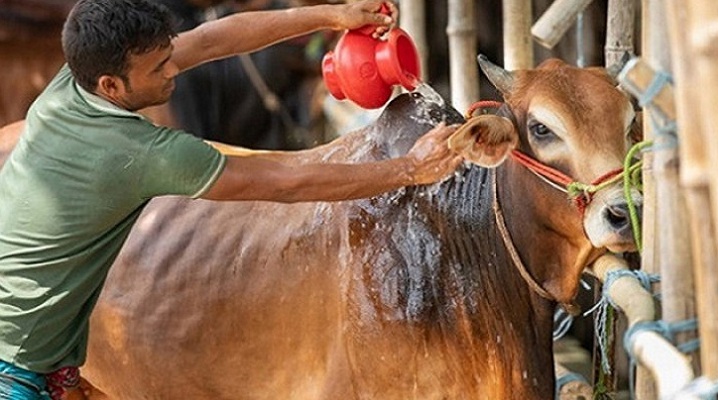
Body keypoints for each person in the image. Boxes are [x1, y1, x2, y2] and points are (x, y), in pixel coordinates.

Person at [0, 0, 462, 399]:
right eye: (158, 68)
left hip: (39, 348)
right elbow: (284, 183)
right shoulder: (138, 153)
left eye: (167, 57)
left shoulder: (73, 80)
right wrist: (409, 169)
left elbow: (213, 38)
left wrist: (333, 16)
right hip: (13, 368)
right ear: (111, 86)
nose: (174, 70)